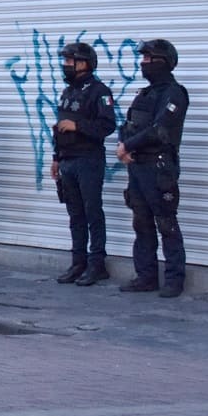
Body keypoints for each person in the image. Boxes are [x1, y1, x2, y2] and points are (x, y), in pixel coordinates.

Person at [116, 39, 189, 298]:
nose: (143, 63)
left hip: (159, 168)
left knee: (166, 223)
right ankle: (146, 276)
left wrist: (128, 146)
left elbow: (160, 130)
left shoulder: (174, 93)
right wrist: (123, 145)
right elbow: (127, 125)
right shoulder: (144, 94)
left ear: (163, 62)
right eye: (142, 58)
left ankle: (174, 279)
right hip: (137, 166)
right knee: (141, 222)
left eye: (148, 59)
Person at [52, 42, 117, 287]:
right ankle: (77, 262)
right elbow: (58, 127)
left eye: (70, 61)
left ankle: (97, 264)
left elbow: (107, 126)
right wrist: (56, 158)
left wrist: (78, 126)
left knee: (92, 213)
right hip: (67, 160)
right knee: (74, 214)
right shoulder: (68, 92)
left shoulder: (99, 91)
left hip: (88, 160)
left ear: (84, 63)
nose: (66, 66)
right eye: (65, 61)